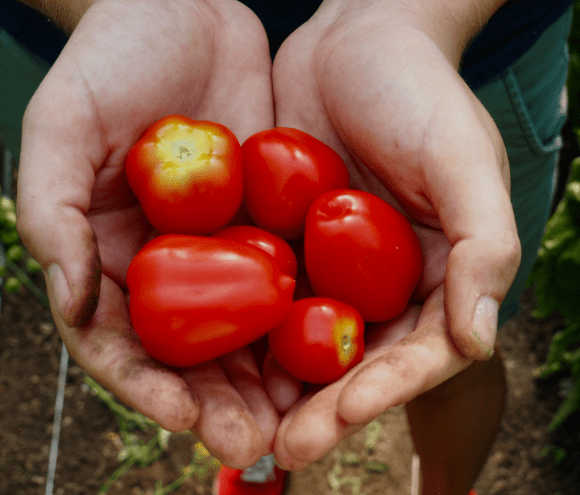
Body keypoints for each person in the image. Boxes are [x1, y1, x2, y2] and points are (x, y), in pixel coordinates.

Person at [1, 0, 573, 493]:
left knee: (459, 328)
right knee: (277, 387)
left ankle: (445, 487)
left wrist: (413, 14)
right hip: (99, 45)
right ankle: (264, 463)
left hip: (458, 51)